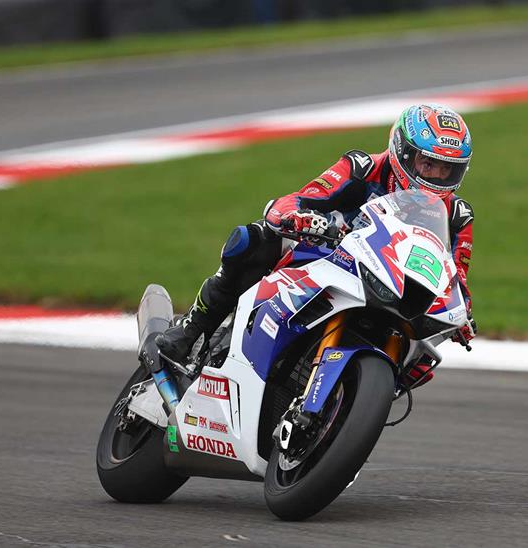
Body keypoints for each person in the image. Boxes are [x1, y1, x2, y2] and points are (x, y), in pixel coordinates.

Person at [156, 104, 477, 386]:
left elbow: (455, 278)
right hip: (330, 255)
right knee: (252, 241)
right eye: (428, 164)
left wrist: (463, 315)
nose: (436, 176)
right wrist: (298, 218)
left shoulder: (457, 216)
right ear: (403, 152)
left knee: (423, 360)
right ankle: (193, 328)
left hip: (391, 284)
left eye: (446, 169)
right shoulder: (363, 168)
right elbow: (298, 199)